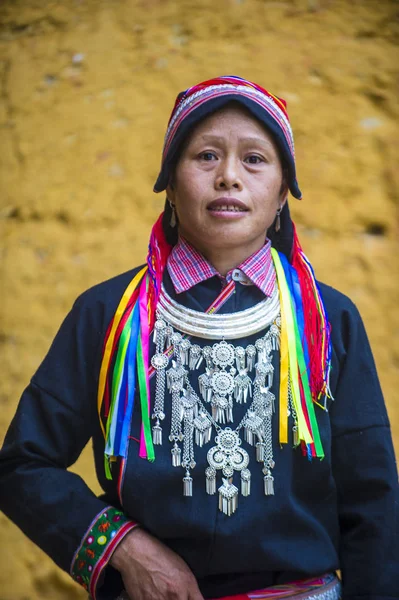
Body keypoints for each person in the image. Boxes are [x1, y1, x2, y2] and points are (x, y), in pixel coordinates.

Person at [0, 76, 397, 600]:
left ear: (282, 192)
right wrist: (126, 547)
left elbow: (373, 504)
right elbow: (22, 466)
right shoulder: (107, 316)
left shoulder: (328, 322)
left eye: (255, 160)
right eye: (206, 156)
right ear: (169, 182)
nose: (229, 177)